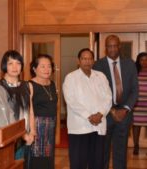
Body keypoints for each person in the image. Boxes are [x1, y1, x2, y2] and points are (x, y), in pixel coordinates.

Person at [93, 35, 139, 169]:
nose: (112, 49)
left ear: (119, 46)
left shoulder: (129, 63)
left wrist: (125, 109)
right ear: (105, 48)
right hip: (106, 115)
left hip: (124, 115)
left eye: (115, 46)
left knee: (121, 151)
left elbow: (135, 90)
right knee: (103, 151)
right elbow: (96, 92)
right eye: (109, 46)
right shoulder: (98, 65)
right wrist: (112, 110)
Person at [63, 48, 112, 169]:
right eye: (84, 59)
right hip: (80, 127)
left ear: (93, 61)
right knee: (78, 162)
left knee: (97, 162)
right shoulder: (71, 78)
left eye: (90, 58)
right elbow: (71, 101)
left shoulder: (101, 76)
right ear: (78, 61)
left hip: (98, 125)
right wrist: (90, 116)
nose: (87, 61)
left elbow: (108, 97)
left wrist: (100, 114)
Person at [0, 50, 35, 165]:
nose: (15, 67)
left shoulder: (28, 85)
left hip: (27, 137)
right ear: (4, 66)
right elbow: (1, 117)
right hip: (9, 138)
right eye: (10, 63)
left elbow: (31, 110)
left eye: (18, 63)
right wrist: (22, 135)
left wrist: (32, 132)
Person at [29, 54, 57, 169]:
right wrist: (32, 131)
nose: (47, 69)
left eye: (49, 66)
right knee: (37, 159)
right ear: (34, 69)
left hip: (50, 127)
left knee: (49, 158)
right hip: (37, 128)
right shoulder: (30, 85)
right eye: (43, 66)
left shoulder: (52, 84)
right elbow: (28, 110)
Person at [132, 52, 147, 155]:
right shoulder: (134, 72)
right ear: (138, 61)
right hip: (136, 105)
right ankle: (136, 145)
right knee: (136, 125)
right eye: (142, 60)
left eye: (146, 60)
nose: (144, 62)